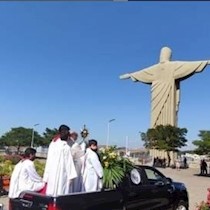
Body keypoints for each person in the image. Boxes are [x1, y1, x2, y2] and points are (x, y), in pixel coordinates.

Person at [120, 46, 210, 127]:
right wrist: (130, 75)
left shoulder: (174, 65)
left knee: (169, 114)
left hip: (170, 91)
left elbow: (189, 65)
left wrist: (206, 62)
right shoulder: (155, 67)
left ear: (168, 55)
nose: (162, 55)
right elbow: (142, 72)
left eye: (164, 53)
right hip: (156, 93)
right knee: (155, 114)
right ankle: (155, 135)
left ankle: (168, 134)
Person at [43, 124, 77, 196]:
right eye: (62, 132)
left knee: (62, 190)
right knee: (52, 190)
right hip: (53, 171)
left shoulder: (67, 145)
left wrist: (71, 175)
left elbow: (69, 162)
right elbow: (49, 159)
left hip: (63, 172)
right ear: (60, 133)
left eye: (66, 132)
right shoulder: (53, 143)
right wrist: (46, 175)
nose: (64, 133)